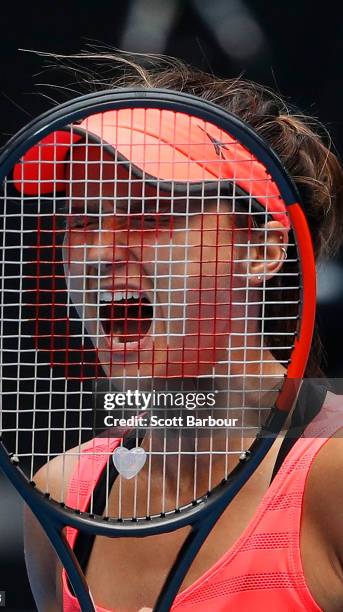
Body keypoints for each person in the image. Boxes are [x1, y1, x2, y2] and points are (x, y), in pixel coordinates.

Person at [24, 53, 343, 612]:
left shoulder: (335, 472)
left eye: (148, 212)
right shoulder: (61, 496)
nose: (98, 254)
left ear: (261, 249)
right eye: (80, 218)